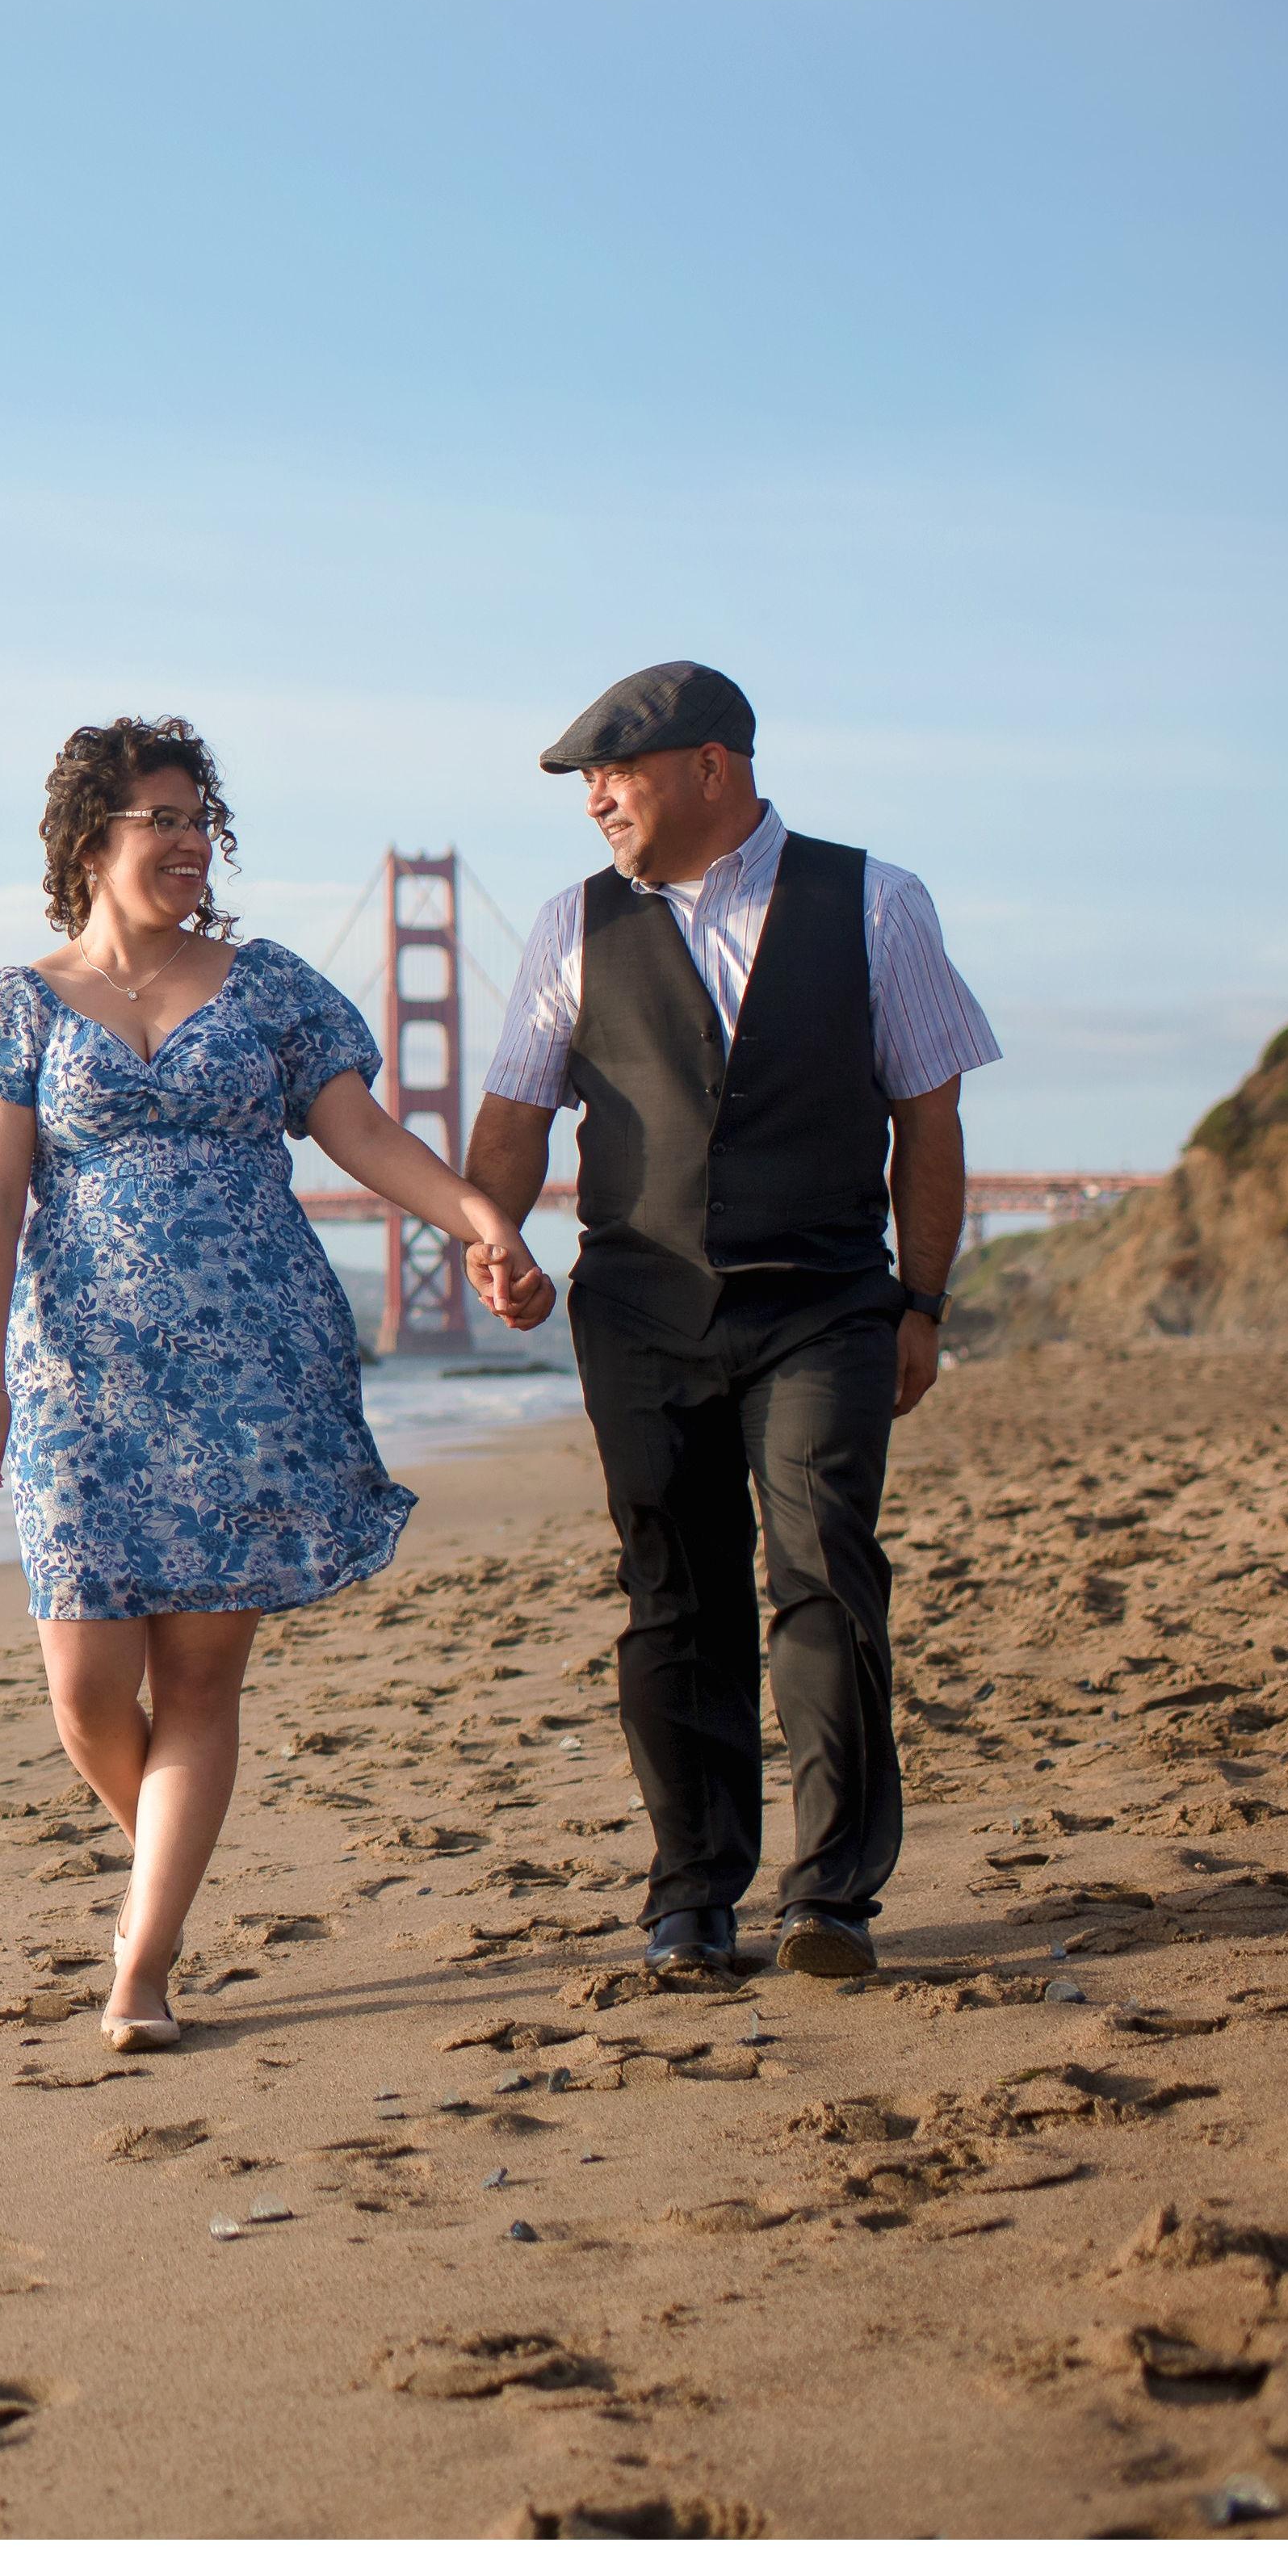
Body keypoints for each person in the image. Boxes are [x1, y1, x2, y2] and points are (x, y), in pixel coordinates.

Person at [0, 715, 550, 2054]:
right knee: (84, 1688)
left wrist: (479, 1221)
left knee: (198, 1682)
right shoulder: (18, 1005)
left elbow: (363, 1137)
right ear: (88, 841)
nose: (188, 843)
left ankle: (143, 1960)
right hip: (80, 1379)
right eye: (158, 819)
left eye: (197, 821)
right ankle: (171, 1856)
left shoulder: (268, 985)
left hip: (251, 1368)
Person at [463, 660, 1001, 1988]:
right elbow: (515, 1113)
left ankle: (832, 1896)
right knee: (674, 1592)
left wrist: (921, 1300)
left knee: (823, 1568)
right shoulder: (570, 923)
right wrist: (493, 1238)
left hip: (823, 1302)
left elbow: (927, 1117)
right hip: (639, 1311)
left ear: (712, 767)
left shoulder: (873, 901)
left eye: (615, 771)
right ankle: (692, 1896)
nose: (595, 799)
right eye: (585, 779)